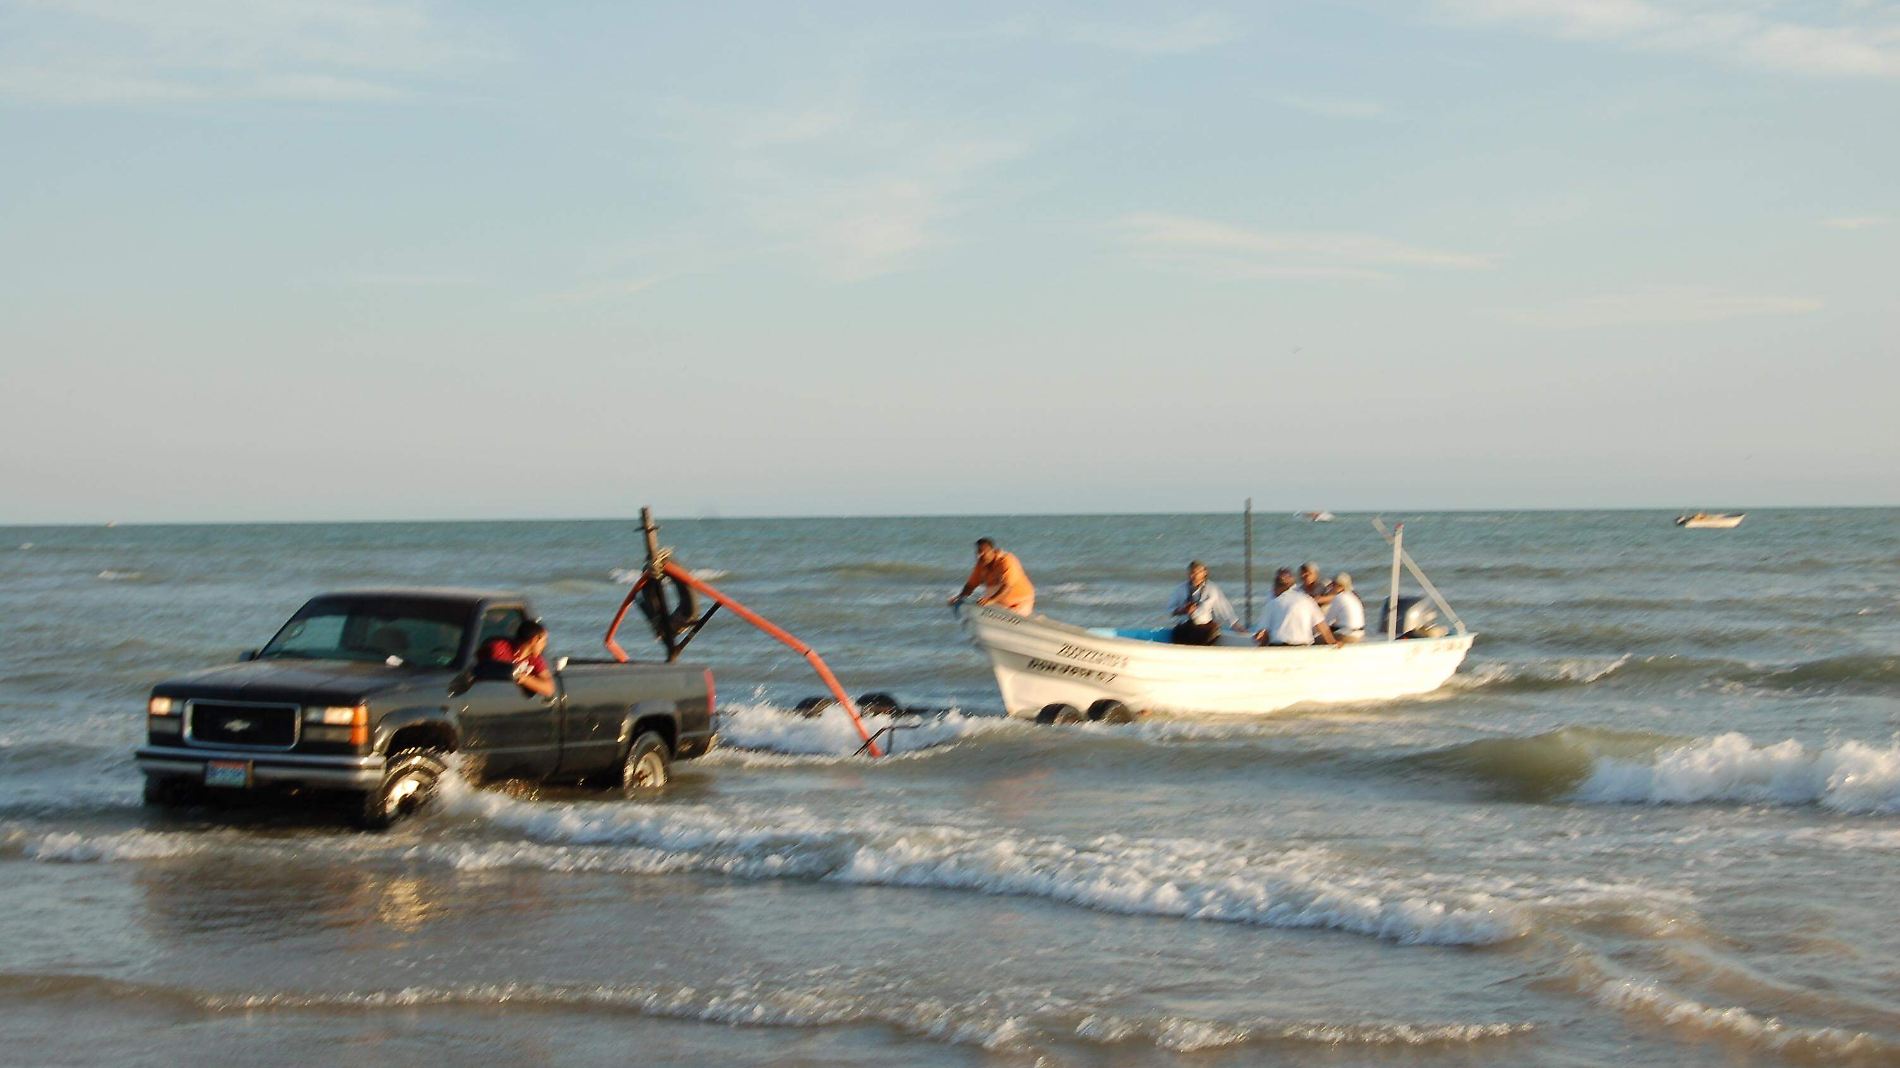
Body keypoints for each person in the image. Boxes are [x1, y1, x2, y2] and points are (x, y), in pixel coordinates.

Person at [949, 537, 1035, 615]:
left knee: (1011, 614)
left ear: (992, 551)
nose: (980, 555)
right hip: (998, 603)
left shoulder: (1006, 560)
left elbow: (1007, 587)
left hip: (1019, 602)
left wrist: (991, 600)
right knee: (969, 603)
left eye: (983, 552)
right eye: (978, 552)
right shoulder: (981, 563)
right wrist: (960, 597)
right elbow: (971, 585)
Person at [1256, 568, 1340, 647]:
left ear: (1276, 587)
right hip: (1303, 646)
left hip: (1279, 646)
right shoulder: (1308, 600)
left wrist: (1260, 649)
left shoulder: (1273, 603)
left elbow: (1264, 634)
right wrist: (1333, 643)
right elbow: (1323, 628)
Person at [1166, 560, 1240, 645]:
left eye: (1197, 573)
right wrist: (1183, 610)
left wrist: (1235, 625)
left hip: (1204, 627)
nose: (1193, 576)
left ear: (1204, 573)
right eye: (1191, 573)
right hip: (1185, 626)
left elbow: (1224, 609)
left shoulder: (1212, 588)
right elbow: (1170, 609)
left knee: (1212, 632)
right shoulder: (1180, 589)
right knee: (1177, 634)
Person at [510, 620, 557, 698]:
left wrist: (524, 679)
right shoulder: (504, 649)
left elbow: (549, 689)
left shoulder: (535, 659)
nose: (544, 645)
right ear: (534, 640)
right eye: (543, 641)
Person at [1325, 572, 1366, 643]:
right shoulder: (1354, 597)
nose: (1330, 587)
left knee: (1316, 640)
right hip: (1360, 634)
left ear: (1340, 586)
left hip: (1347, 635)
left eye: (1333, 584)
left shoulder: (1338, 598)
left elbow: (1327, 622)